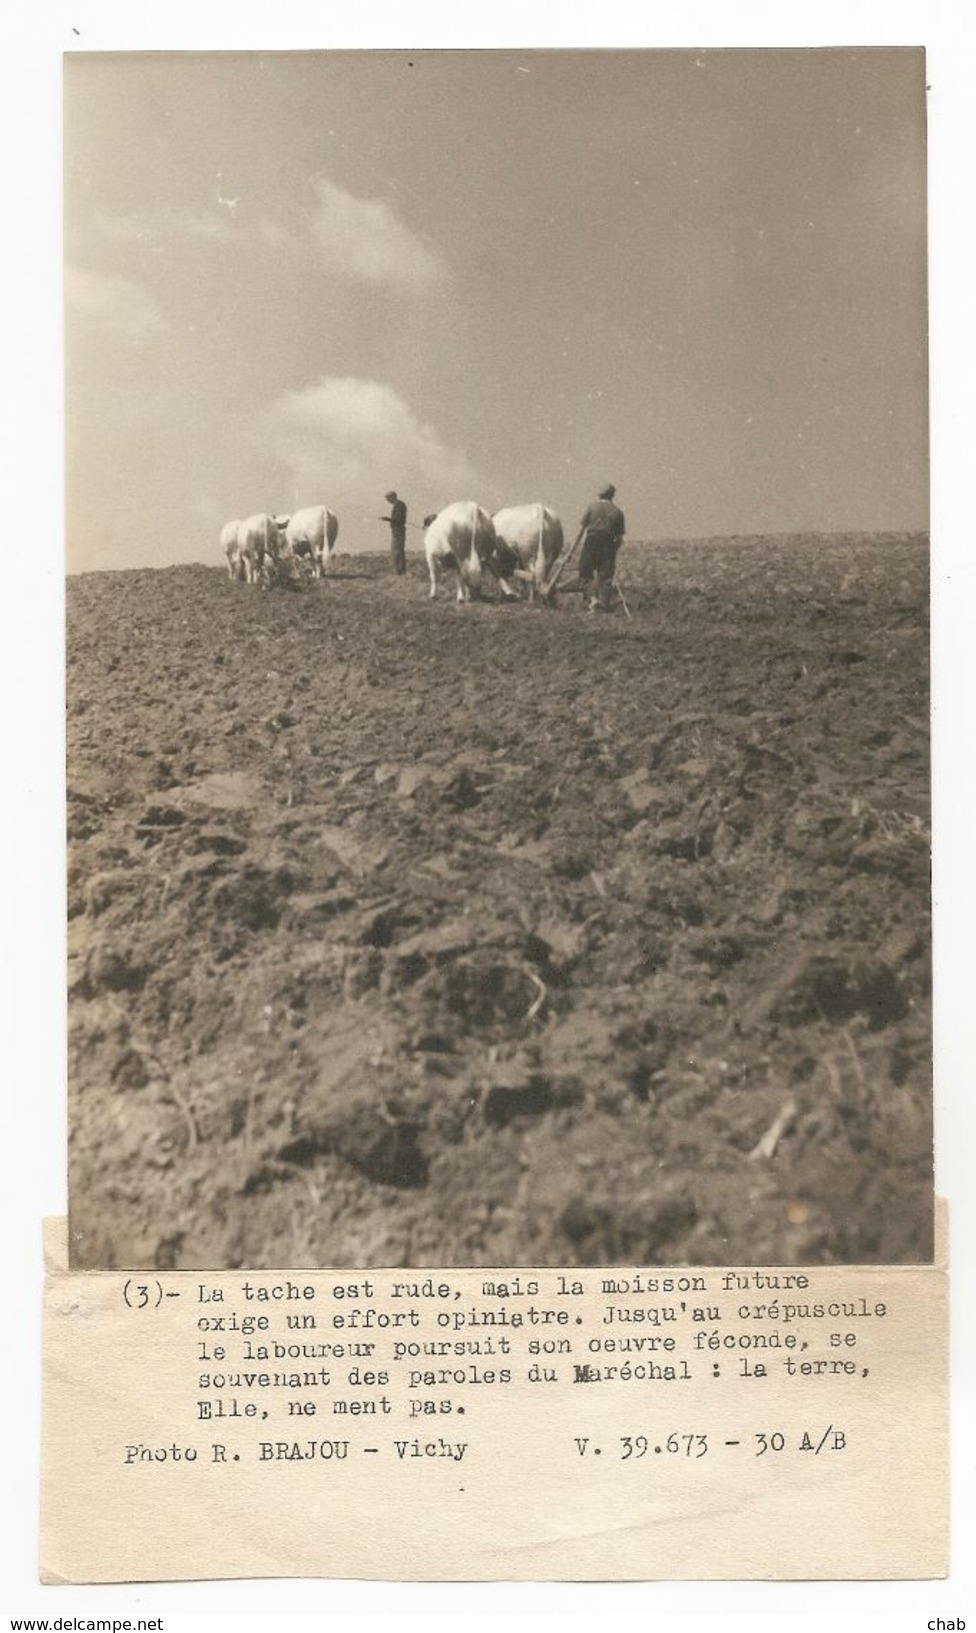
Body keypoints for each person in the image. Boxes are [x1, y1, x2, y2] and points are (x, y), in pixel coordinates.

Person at [575, 483, 626, 611]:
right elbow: (619, 538)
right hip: (608, 544)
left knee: (585, 571)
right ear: (612, 496)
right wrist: (612, 551)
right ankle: (603, 604)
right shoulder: (618, 512)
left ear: (600, 495)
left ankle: (593, 599)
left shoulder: (592, 508)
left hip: (592, 541)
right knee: (605, 575)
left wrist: (573, 549)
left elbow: (581, 530)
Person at [381, 490, 408, 575]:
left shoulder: (399, 505)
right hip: (397, 530)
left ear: (393, 497)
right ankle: (399, 571)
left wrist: (388, 519)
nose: (388, 501)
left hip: (398, 530)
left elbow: (398, 520)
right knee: (397, 550)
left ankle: (399, 571)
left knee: (397, 550)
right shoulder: (398, 505)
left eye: (388, 499)